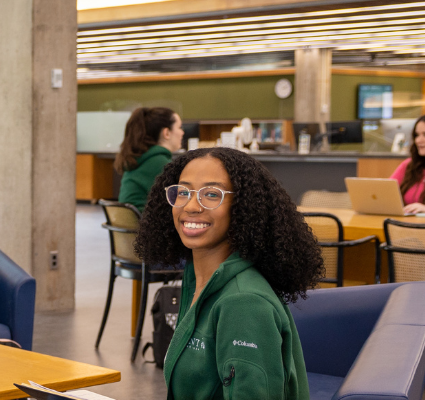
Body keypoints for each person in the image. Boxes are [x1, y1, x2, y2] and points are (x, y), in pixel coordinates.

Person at [134, 147, 321, 399]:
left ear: (243, 206)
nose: (191, 205)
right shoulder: (197, 281)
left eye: (211, 194)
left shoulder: (243, 304)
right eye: (183, 192)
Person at [116, 107, 183, 211]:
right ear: (167, 133)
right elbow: (178, 201)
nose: (182, 132)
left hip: (132, 222)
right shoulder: (159, 163)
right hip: (144, 224)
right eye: (179, 127)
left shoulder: (142, 158)